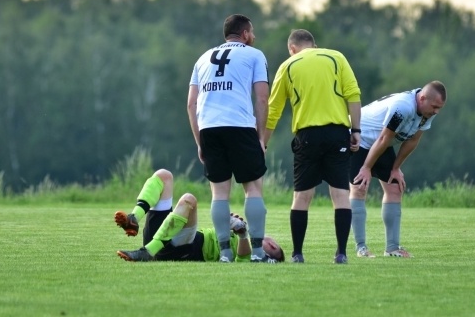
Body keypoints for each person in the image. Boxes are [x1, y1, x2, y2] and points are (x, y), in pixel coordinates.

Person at [262, 29, 361, 264]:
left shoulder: (288, 65)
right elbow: (353, 94)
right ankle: (341, 253)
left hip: (307, 136)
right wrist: (355, 130)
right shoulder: (337, 57)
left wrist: (262, 142)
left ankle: (297, 253)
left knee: (302, 196)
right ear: (314, 45)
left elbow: (273, 110)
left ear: (292, 48)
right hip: (338, 133)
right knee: (340, 195)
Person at [187, 14, 269, 263]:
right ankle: (257, 252)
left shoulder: (202, 58)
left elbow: (191, 104)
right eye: (252, 32)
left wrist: (200, 141)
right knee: (253, 188)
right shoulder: (255, 55)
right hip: (240, 126)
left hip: (210, 128)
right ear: (244, 34)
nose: (253, 37)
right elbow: (263, 99)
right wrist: (261, 137)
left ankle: (225, 253)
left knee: (219, 194)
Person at [350, 82, 447, 258]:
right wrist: (366, 167)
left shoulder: (427, 111)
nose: (436, 112)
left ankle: (392, 248)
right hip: (360, 139)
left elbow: (412, 141)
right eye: (434, 107)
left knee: (395, 187)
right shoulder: (402, 107)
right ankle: (361, 248)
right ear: (422, 98)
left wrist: (396, 168)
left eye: (439, 108)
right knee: (359, 187)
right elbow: (384, 138)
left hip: (382, 143)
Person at [114, 169, 284, 263]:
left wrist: (242, 234)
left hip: (186, 248)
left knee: (189, 200)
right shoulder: (247, 243)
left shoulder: (253, 253)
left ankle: (147, 252)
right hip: (165, 239)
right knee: (164, 176)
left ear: (272, 246)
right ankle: (134, 218)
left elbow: (242, 260)